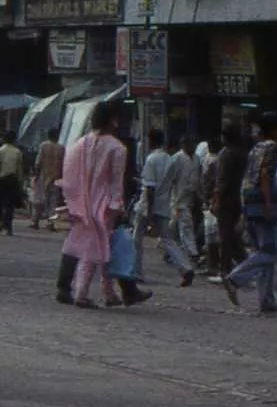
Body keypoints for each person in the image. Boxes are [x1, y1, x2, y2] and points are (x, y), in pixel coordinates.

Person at [62, 100, 127, 309]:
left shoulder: (81, 143)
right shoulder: (117, 148)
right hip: (105, 204)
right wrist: (117, 204)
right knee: (98, 248)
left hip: (82, 202)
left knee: (97, 247)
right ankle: (83, 293)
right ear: (114, 120)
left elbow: (70, 172)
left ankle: (109, 293)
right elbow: (116, 180)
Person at [223, 118, 277, 315]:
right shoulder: (271, 148)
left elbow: (247, 180)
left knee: (263, 252)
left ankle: (266, 299)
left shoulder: (254, 149)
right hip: (262, 203)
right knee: (270, 251)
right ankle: (236, 278)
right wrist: (268, 203)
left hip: (251, 203)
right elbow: (265, 175)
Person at [135, 129, 178, 281]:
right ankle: (185, 268)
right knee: (167, 240)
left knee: (137, 239)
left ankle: (136, 271)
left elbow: (150, 188)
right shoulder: (169, 158)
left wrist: (149, 212)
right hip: (164, 203)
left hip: (148, 205)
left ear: (150, 141)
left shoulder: (151, 159)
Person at [159, 134, 200, 285]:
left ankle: (173, 253)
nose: (192, 147)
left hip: (188, 198)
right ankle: (191, 253)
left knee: (175, 227)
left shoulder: (196, 159)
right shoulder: (177, 158)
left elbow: (197, 179)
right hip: (177, 198)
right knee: (183, 226)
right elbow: (169, 179)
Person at [211, 126, 248, 275]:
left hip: (226, 199)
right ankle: (243, 263)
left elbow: (221, 181)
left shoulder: (225, 154)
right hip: (238, 198)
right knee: (233, 234)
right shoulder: (243, 154)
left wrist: (216, 201)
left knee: (225, 235)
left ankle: (225, 268)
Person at [0, 130, 26, 236]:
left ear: (4, 139)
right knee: (10, 204)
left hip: (2, 179)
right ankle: (7, 225)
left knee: (0, 202)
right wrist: (20, 181)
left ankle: (2, 222)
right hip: (13, 179)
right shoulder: (17, 152)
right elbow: (19, 169)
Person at [31, 129, 64, 230]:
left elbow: (38, 161)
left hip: (43, 176)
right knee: (53, 202)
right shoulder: (61, 148)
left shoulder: (43, 145)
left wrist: (35, 175)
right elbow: (63, 164)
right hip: (56, 177)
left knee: (39, 200)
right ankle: (50, 223)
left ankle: (36, 221)